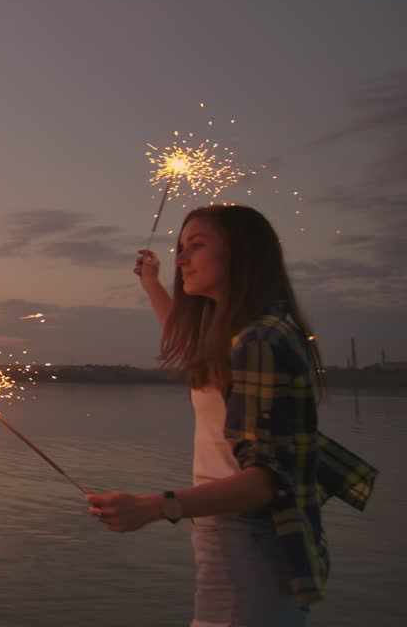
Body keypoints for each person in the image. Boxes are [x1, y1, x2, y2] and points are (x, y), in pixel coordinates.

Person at [85, 205, 377, 626]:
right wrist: (151, 283)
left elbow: (267, 482)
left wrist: (154, 507)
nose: (181, 260)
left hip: (249, 539)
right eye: (180, 248)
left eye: (196, 247)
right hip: (236, 536)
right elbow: (190, 346)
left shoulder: (259, 340)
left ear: (242, 254)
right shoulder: (243, 334)